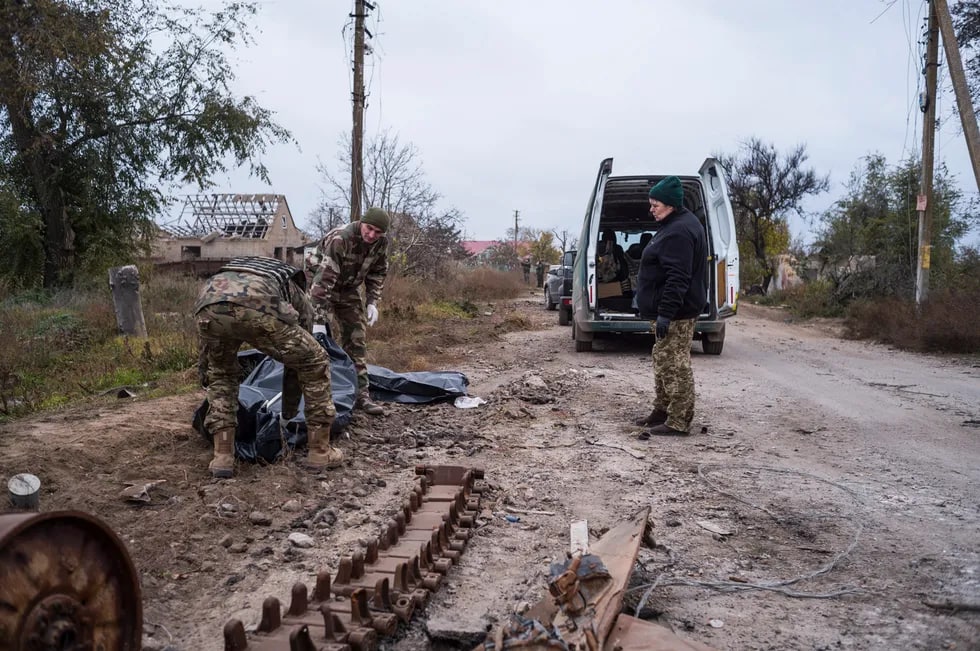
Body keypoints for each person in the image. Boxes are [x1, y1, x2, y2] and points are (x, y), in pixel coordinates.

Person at [195, 256, 343, 479]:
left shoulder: (240, 270)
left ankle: (223, 456)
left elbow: (206, 365)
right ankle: (320, 452)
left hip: (208, 307)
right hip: (257, 311)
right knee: (316, 361)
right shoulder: (293, 286)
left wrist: (205, 371)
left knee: (221, 374)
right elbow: (300, 362)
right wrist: (289, 412)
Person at [633, 176, 707, 437]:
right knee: (663, 360)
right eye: (651, 203)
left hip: (676, 313)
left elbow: (678, 277)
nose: (651, 209)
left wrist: (665, 313)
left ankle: (678, 420)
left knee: (675, 364)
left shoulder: (679, 232)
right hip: (672, 311)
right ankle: (662, 410)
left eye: (656, 204)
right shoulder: (673, 223)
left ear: (672, 205)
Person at [308, 207, 390, 416]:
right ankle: (318, 397)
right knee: (317, 342)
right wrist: (318, 319)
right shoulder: (341, 239)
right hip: (319, 287)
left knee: (357, 339)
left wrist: (372, 302)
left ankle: (361, 395)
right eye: (369, 228)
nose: (371, 235)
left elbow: (377, 272)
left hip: (347, 289)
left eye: (377, 232)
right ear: (362, 222)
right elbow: (323, 279)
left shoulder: (380, 244)